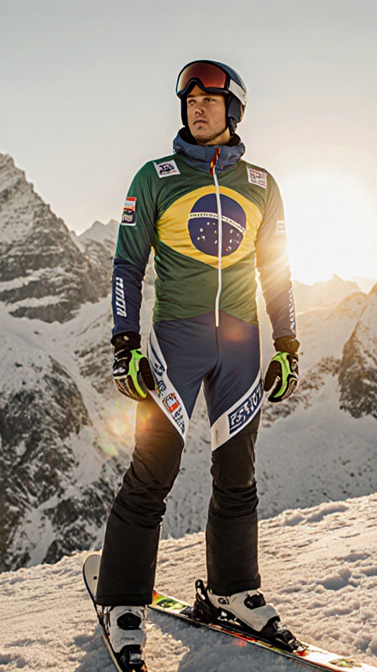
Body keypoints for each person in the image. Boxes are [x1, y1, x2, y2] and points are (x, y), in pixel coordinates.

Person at [95, 59, 300, 670]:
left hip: (241, 345)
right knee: (152, 472)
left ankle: (233, 590)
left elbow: (278, 271)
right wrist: (124, 343)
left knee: (237, 474)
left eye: (209, 98)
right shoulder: (155, 178)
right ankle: (122, 602)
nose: (196, 106)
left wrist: (287, 345)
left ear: (233, 109)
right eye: (188, 98)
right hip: (174, 344)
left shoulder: (262, 185)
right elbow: (126, 266)